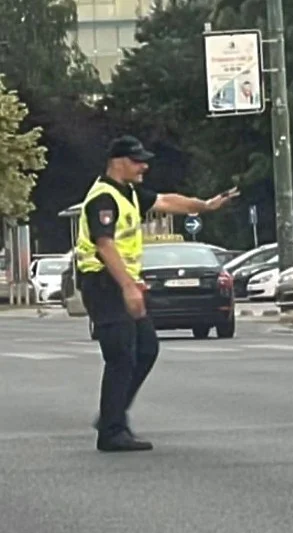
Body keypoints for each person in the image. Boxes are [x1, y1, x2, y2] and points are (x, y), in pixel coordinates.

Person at [76, 134, 239, 452]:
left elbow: (167, 201)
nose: (144, 166)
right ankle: (111, 430)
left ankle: (113, 414)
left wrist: (203, 206)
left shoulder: (130, 194)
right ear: (118, 162)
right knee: (121, 354)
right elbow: (104, 244)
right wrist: (127, 287)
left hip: (122, 284)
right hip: (104, 284)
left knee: (146, 347)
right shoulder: (103, 198)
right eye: (137, 161)